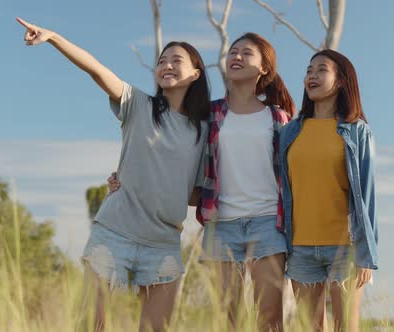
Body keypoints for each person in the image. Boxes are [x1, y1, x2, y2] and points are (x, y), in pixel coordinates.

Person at [16, 17, 210, 332]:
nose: (167, 66)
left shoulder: (201, 131)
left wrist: (144, 179)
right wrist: (54, 37)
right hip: (115, 233)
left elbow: (192, 193)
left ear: (195, 74)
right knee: (90, 324)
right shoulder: (138, 104)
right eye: (162, 61)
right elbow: (96, 68)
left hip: (163, 243)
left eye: (177, 60)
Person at [109, 32, 295, 332]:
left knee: (269, 318)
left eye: (246, 53)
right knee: (226, 318)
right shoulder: (209, 115)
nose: (236, 57)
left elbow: (294, 175)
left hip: (267, 224)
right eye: (233, 52)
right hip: (221, 227)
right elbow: (169, 158)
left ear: (264, 68)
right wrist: (127, 179)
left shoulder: (279, 118)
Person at [279, 49, 378, 332]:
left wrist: (367, 255)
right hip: (299, 248)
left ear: (341, 81)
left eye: (321, 69)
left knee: (345, 327)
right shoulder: (290, 132)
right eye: (309, 70)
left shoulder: (356, 131)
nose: (311, 75)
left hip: (345, 248)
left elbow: (367, 197)